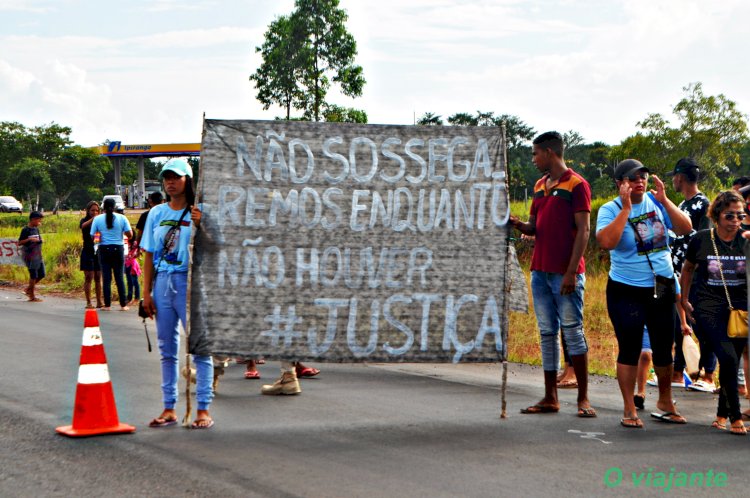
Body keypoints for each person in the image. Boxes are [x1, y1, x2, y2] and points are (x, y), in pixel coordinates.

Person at [596, 159, 692, 428]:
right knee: (630, 348)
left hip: (660, 286)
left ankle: (665, 402)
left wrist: (665, 200)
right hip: (626, 289)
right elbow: (605, 242)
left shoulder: (656, 203)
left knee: (664, 347)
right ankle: (629, 408)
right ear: (620, 183)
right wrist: (626, 209)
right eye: (633, 177)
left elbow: (685, 228)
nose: (640, 181)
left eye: (644, 176)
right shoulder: (610, 209)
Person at [509, 131, 595, 418]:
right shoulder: (539, 185)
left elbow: (583, 230)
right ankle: (550, 396)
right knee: (547, 333)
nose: (533, 159)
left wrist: (572, 271)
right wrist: (517, 224)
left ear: (550, 152)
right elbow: (534, 227)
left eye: (535, 153)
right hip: (540, 271)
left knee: (572, 331)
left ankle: (583, 398)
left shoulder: (577, 184)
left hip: (565, 273)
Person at [141, 158, 214, 429]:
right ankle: (169, 407)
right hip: (162, 283)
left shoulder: (200, 211)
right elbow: (149, 254)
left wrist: (202, 225)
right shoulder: (157, 214)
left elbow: (217, 247)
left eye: (176, 177)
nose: (170, 182)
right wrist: (145, 293)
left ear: (188, 180)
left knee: (199, 347)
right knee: (166, 349)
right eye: (166, 178)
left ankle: (203, 410)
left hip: (190, 281)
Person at [681, 190, 748, 435]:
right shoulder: (701, 239)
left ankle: (721, 414)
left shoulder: (745, 239)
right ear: (717, 215)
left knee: (732, 359)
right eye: (730, 216)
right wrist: (684, 300)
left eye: (740, 216)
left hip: (740, 308)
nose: (735, 221)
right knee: (729, 357)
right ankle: (735, 417)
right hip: (708, 305)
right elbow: (687, 269)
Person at [668, 158, 713, 391]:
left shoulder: (702, 204)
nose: (673, 181)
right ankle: (678, 373)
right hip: (677, 274)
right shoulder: (683, 206)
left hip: (694, 276)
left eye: (674, 177)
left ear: (681, 178)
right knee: (678, 324)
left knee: (700, 323)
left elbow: (704, 241)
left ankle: (708, 376)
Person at [90, 198, 132, 311]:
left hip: (103, 249)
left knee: (106, 278)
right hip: (118, 249)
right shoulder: (122, 218)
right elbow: (130, 234)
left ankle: (107, 305)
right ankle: (123, 304)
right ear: (115, 207)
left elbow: (93, 236)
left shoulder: (97, 219)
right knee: (119, 278)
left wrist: (99, 240)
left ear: (103, 207)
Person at [79, 201, 103, 309]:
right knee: (89, 277)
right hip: (87, 251)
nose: (95, 212)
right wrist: (94, 219)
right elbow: (83, 226)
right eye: (92, 210)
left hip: (97, 251)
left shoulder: (100, 222)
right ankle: (88, 302)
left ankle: (99, 301)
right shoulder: (84, 221)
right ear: (88, 211)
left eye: (97, 210)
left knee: (98, 277)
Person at [18, 211, 45, 302]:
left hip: (38, 255)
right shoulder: (26, 230)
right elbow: (20, 242)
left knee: (42, 274)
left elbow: (39, 240)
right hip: (29, 255)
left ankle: (28, 289)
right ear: (33, 219)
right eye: (38, 220)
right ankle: (32, 296)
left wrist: (40, 241)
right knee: (33, 275)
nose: (40, 222)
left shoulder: (36, 229)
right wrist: (29, 239)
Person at [124, 240, 141, 305]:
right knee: (129, 282)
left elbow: (139, 252)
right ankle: (129, 297)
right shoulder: (125, 242)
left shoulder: (135, 243)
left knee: (135, 282)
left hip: (133, 264)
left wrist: (135, 255)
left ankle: (137, 297)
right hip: (127, 264)